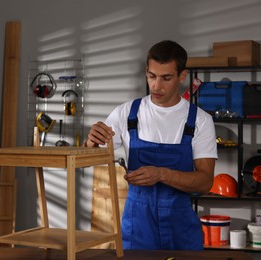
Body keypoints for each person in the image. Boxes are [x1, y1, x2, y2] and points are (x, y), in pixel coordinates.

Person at [84, 40, 217, 250]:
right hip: (138, 226)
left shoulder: (200, 121)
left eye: (166, 78)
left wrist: (161, 174)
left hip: (180, 226)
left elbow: (204, 182)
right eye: (151, 76)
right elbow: (86, 159)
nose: (156, 85)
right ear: (146, 72)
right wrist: (91, 141)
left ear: (182, 76)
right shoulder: (126, 113)